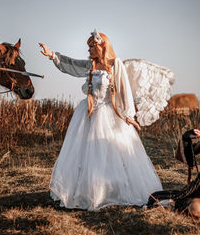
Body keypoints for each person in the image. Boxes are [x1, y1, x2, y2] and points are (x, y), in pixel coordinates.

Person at [39, 30, 170, 211]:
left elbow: (124, 91)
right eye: (89, 46)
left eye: (92, 46)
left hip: (108, 115)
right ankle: (86, 192)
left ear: (102, 46)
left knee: (112, 155)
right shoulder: (91, 64)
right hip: (88, 113)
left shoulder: (115, 65)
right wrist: (53, 55)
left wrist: (129, 116)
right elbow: (72, 65)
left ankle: (111, 191)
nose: (89, 50)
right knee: (86, 156)